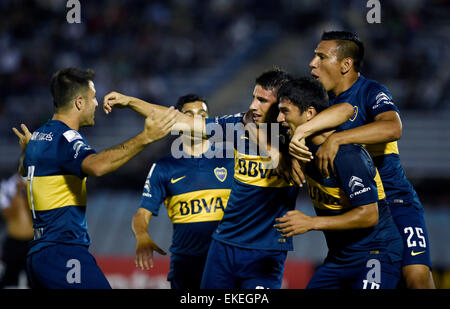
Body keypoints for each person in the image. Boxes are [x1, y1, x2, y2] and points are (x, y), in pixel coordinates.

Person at [104, 68, 304, 289]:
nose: (253, 106)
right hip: (222, 249)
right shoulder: (237, 127)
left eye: (262, 100)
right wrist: (131, 101)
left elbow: (339, 114)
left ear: (283, 104)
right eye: (253, 98)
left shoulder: (299, 134)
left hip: (266, 252)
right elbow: (176, 120)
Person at [289, 31, 435, 289]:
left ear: (345, 64)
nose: (313, 63)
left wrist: (337, 140)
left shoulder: (370, 91)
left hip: (394, 199)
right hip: (352, 205)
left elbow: (393, 128)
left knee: (416, 277)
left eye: (321, 57)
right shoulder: (320, 102)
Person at [12, 67, 177, 289]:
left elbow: (24, 169)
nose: (97, 104)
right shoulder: (66, 138)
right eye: (93, 98)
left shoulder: (40, 136)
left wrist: (26, 152)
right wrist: (146, 137)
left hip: (39, 255)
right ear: (79, 102)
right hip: (64, 252)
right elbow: (97, 166)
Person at [275, 77, 403, 289]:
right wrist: (283, 157)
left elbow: (370, 215)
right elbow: (252, 126)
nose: (279, 119)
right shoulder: (301, 146)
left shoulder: (347, 155)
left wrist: (311, 223)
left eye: (285, 111)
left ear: (309, 114)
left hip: (375, 253)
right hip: (339, 258)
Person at [131, 94, 234, 289]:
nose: (196, 120)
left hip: (225, 263)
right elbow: (142, 213)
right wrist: (142, 235)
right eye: (188, 115)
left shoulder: (231, 160)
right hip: (186, 267)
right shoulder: (164, 167)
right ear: (178, 123)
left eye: (202, 115)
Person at [0, 157, 33, 288]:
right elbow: (7, 215)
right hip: (14, 240)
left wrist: (26, 196)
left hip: (32, 241)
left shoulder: (34, 188)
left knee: (34, 279)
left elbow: (35, 215)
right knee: (9, 280)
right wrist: (18, 196)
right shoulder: (6, 188)